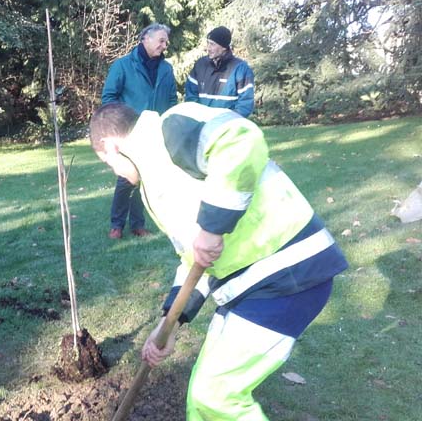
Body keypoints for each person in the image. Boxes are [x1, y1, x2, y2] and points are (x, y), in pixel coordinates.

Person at [89, 102, 348, 420]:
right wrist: (168, 324)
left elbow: (241, 140)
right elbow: (193, 258)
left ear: (110, 146)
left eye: (107, 164)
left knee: (217, 396)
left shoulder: (170, 130)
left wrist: (213, 226)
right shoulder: (153, 185)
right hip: (248, 287)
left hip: (287, 273)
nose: (115, 172)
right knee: (202, 396)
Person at [101, 23, 177, 239]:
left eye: (166, 41)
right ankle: (116, 225)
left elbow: (171, 99)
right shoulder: (123, 66)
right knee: (127, 178)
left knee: (146, 178)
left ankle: (138, 224)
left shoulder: (166, 69)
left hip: (156, 134)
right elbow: (109, 98)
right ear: (146, 38)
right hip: (129, 133)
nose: (165, 45)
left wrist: (168, 124)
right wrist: (117, 126)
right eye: (161, 40)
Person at [185, 26, 255, 118]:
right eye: (208, 43)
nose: (208, 48)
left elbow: (245, 103)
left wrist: (228, 121)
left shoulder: (240, 69)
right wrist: (198, 117)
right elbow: (191, 96)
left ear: (224, 47)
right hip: (201, 125)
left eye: (212, 44)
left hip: (227, 127)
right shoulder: (200, 65)